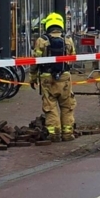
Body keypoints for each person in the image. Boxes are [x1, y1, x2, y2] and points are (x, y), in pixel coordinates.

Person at [29, 12, 77, 142]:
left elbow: (35, 61)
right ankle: (68, 133)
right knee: (67, 106)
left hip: (47, 78)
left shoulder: (41, 41)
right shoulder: (68, 40)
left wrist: (32, 78)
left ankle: (54, 133)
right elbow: (73, 56)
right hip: (65, 77)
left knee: (50, 106)